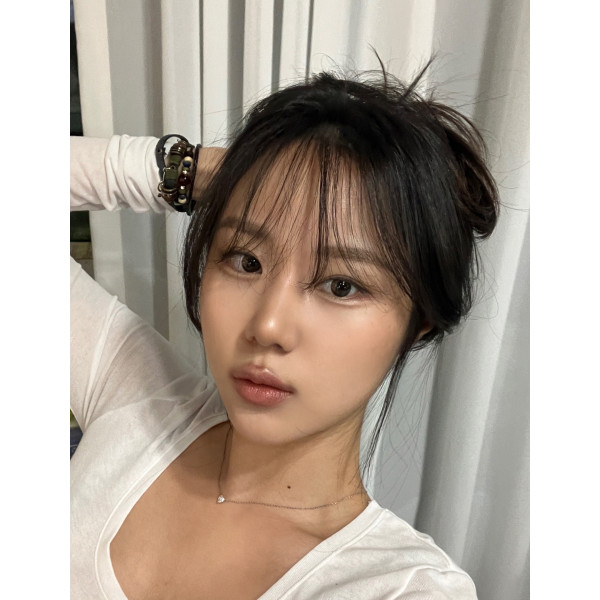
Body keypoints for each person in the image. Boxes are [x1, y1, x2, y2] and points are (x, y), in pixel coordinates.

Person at [70, 66, 498, 599]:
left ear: (418, 324)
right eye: (246, 260)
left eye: (341, 286)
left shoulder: (399, 588)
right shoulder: (136, 400)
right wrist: (199, 172)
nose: (268, 326)